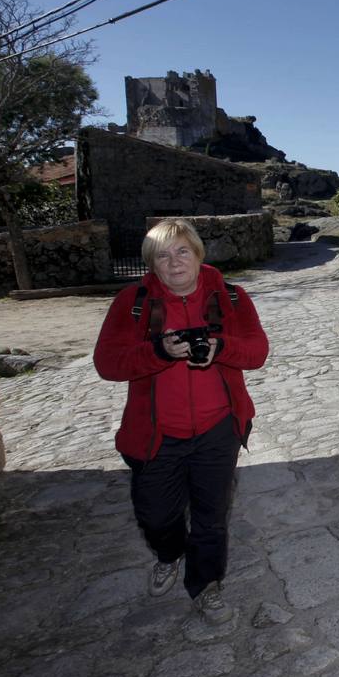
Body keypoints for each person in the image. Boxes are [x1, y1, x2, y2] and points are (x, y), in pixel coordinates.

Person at [94, 218, 269, 623]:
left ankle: (206, 585)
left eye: (182, 252)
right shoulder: (132, 303)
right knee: (156, 516)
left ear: (198, 254)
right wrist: (158, 352)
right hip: (156, 435)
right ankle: (169, 553)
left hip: (217, 429)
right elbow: (107, 363)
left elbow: (257, 352)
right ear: (151, 264)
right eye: (163, 256)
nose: (174, 263)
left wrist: (221, 347)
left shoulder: (232, 297)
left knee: (211, 518)